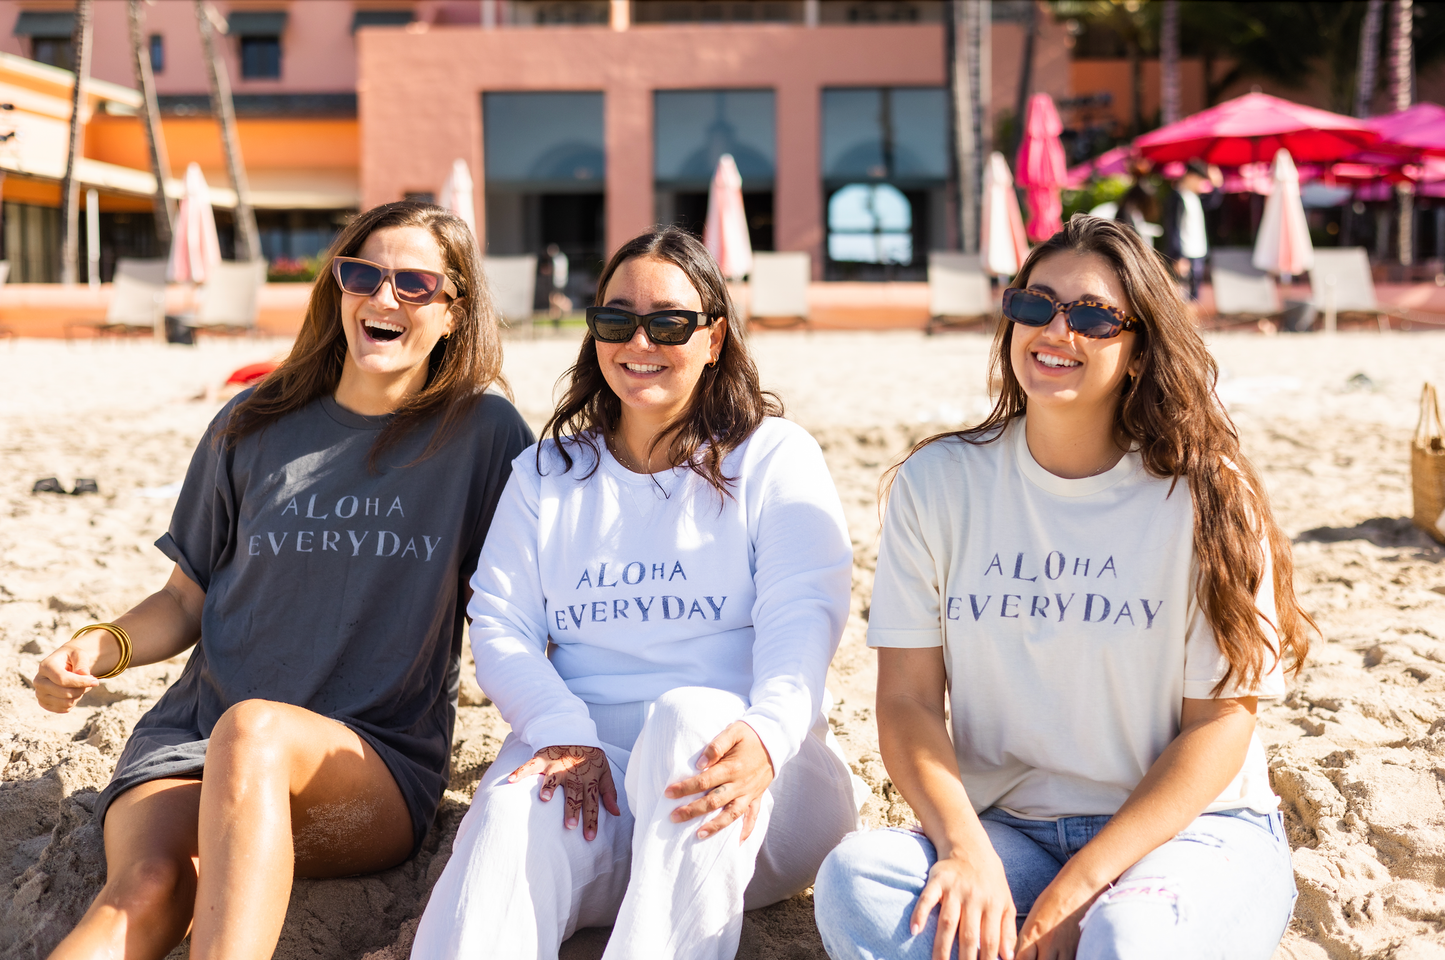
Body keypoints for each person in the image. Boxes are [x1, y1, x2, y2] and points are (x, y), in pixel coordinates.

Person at [32, 200, 533, 960]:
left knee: (257, 731)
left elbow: (517, 605)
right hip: (193, 737)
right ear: (337, 288)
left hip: (367, 763)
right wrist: (99, 648)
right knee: (145, 890)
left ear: (456, 311)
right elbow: (182, 597)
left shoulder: (482, 436)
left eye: (415, 284)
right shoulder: (252, 422)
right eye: (361, 273)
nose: (382, 296)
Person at [814, 215, 1313, 960]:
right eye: (1033, 305)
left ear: (1141, 347)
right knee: (857, 881)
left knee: (1123, 936)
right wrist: (963, 850)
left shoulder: (1207, 496)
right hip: (1009, 833)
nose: (1055, 330)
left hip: (1186, 836)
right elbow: (908, 702)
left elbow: (1217, 726)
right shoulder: (941, 483)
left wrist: (1083, 885)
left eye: (1091, 316)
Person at [410, 226, 861, 960]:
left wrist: (769, 734)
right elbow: (498, 623)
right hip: (592, 766)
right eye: (615, 320)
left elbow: (803, 620)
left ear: (713, 338)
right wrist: (562, 727)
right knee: (512, 810)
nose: (638, 340)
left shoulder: (773, 456)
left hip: (755, 780)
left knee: (690, 721)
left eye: (669, 322)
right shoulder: (544, 474)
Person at [1160, 158, 1224, 301]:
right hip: (1184, 252)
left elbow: (1213, 203)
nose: (1202, 183)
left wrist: (1217, 185)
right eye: (1200, 179)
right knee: (1181, 294)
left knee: (1195, 294)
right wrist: (1177, 255)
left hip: (1198, 250)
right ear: (1190, 176)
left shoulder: (1194, 196)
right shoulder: (1177, 197)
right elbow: (1172, 227)